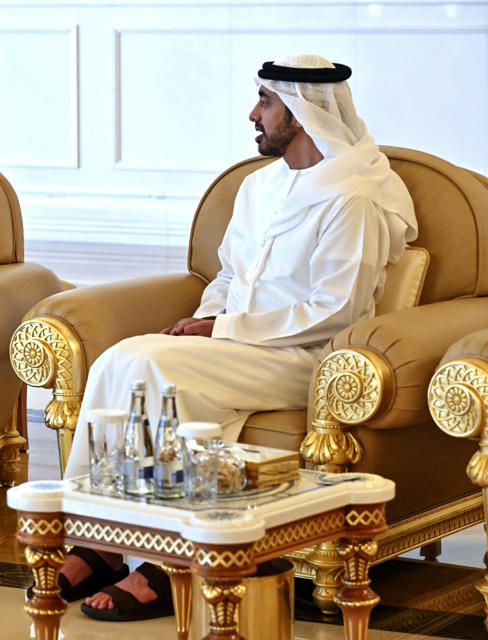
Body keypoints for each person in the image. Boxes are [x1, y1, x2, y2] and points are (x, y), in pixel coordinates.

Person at [58, 54, 417, 621]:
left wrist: (219, 330)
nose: (254, 113)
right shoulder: (258, 187)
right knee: (121, 358)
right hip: (237, 347)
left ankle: (164, 563)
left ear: (301, 113)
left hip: (307, 359)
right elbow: (228, 276)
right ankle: (101, 538)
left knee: (158, 369)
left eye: (266, 102)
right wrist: (203, 323)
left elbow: (336, 309)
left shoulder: (354, 196)